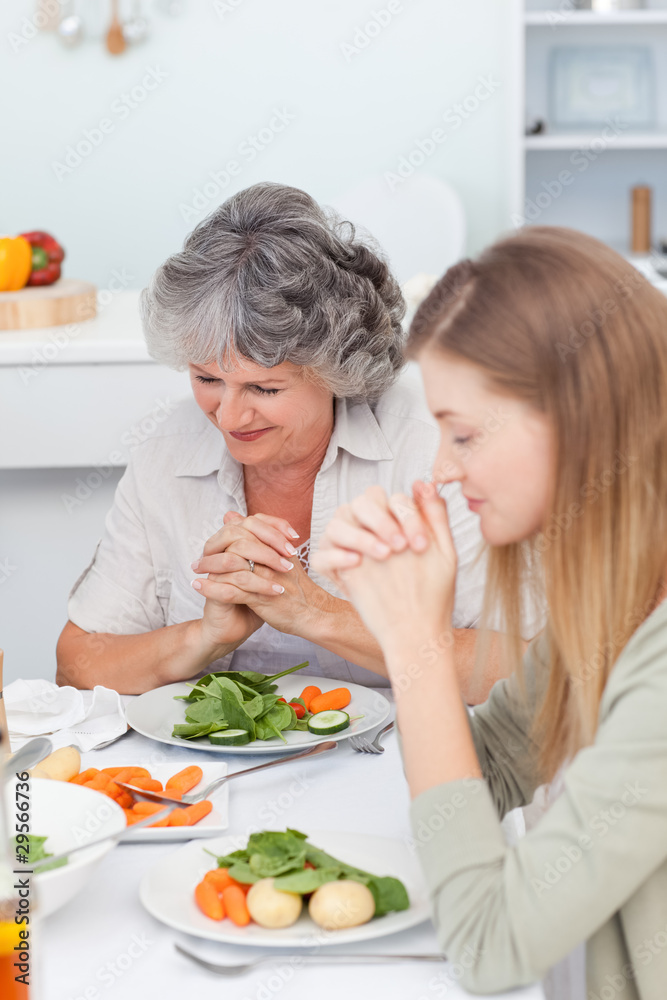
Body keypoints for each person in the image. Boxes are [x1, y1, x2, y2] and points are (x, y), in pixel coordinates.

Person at [312, 226, 667, 998]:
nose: (441, 472)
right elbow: (495, 763)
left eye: (463, 434)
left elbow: (489, 949)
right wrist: (414, 640)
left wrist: (416, 646)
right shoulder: (618, 595)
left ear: (581, 417)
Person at [56, 182, 511, 698]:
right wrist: (202, 639)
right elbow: (76, 664)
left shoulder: (433, 449)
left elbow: (525, 668)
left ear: (337, 370)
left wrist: (317, 613)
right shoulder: (168, 452)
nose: (228, 416)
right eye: (207, 380)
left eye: (264, 387)